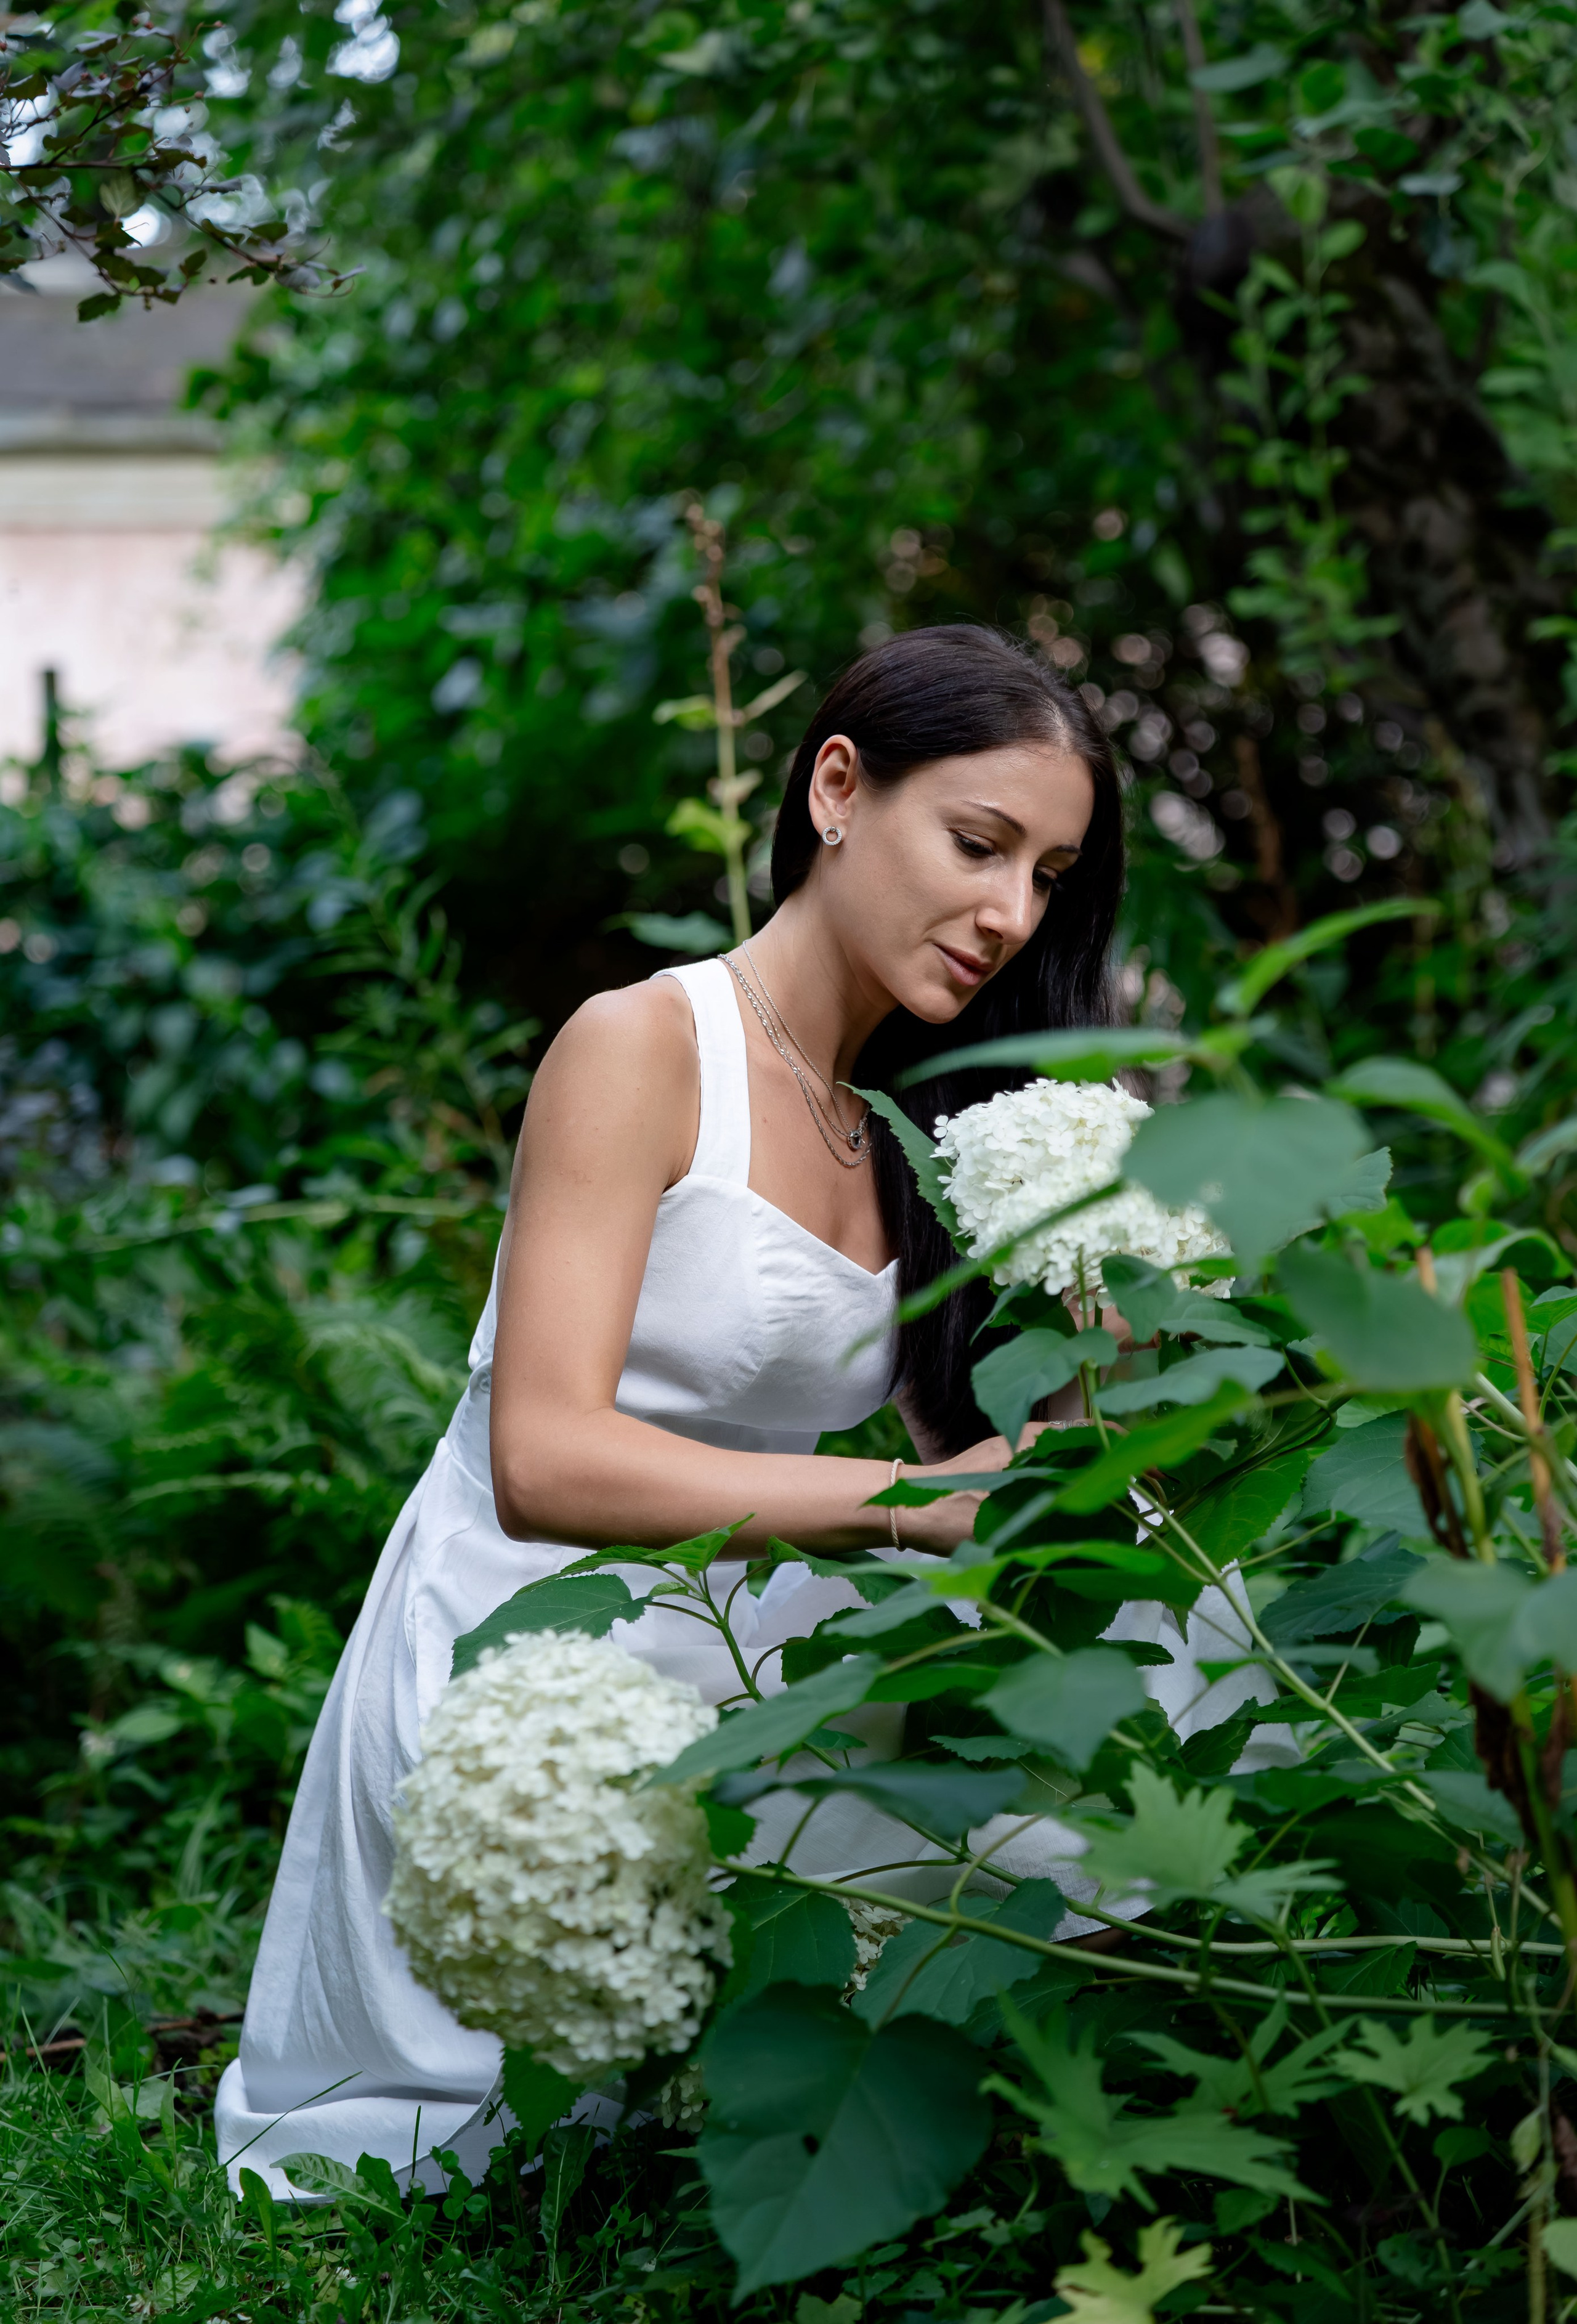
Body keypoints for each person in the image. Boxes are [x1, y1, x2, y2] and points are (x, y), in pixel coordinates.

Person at [214, 623, 1129, 2196]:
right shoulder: (642, 1044)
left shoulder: (922, 1117)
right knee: (534, 2144)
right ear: (836, 788)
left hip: (750, 1638)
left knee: (1110, 1789)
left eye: (1046, 874)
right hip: (527, 1651)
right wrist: (924, 1506)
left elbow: (992, 1469)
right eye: (979, 844)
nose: (1008, 912)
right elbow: (540, 1457)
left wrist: (1100, 1319)